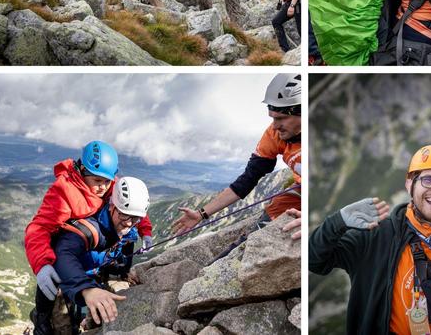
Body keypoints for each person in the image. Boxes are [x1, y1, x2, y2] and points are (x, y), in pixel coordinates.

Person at [310, 145, 431, 335]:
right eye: (428, 180)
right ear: (409, 184)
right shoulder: (377, 236)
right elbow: (315, 260)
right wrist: (335, 223)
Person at [26, 141, 152, 335]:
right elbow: (39, 227)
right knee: (51, 282)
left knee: (124, 234)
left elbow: (130, 206)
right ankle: (42, 319)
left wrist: (145, 230)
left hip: (88, 248)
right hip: (65, 245)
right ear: (82, 170)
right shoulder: (64, 191)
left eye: (107, 181)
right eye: (97, 180)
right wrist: (42, 263)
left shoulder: (111, 184)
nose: (103, 187)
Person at [173, 73, 301, 235]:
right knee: (262, 231)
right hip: (301, 190)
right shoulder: (274, 135)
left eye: (281, 118)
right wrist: (201, 214)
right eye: (273, 118)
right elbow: (247, 179)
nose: (275, 126)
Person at [52, 177, 150, 330]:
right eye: (124, 214)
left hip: (93, 273)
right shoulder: (89, 229)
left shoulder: (128, 230)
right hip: (66, 277)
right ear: (112, 206)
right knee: (60, 327)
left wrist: (123, 272)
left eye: (136, 218)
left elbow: (120, 252)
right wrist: (86, 288)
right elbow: (63, 254)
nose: (129, 223)